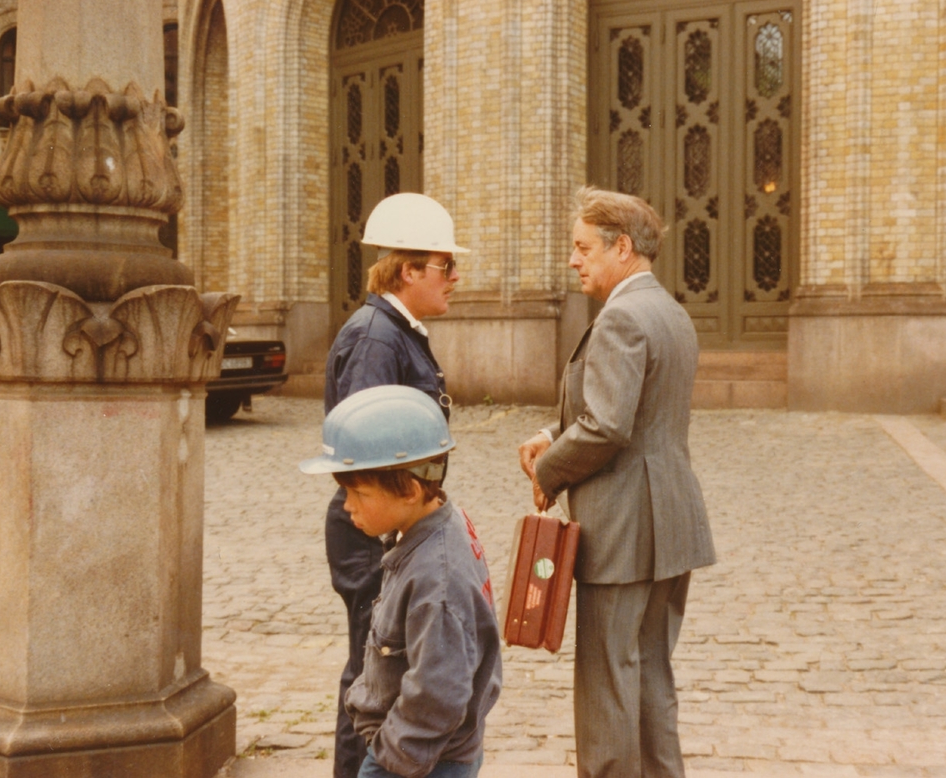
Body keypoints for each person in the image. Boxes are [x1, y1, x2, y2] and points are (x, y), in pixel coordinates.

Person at [517, 186, 716, 778]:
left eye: (582, 248)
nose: (574, 260)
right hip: (669, 525)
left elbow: (607, 427)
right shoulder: (670, 312)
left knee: (607, 689)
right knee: (651, 676)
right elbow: (638, 412)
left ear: (621, 248)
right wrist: (555, 438)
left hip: (623, 528)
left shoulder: (622, 317)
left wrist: (548, 472)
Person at [324, 193, 469, 778]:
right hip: (372, 526)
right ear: (408, 270)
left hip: (393, 520)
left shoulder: (393, 328)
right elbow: (369, 457)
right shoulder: (378, 338)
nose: (455, 278)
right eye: (445, 266)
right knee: (372, 677)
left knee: (383, 669)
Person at [301, 385, 502, 778]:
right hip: (419, 749)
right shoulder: (429, 525)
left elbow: (438, 694)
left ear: (409, 491)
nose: (347, 506)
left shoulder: (436, 580)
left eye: (358, 492)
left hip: (419, 760)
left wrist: (386, 762)